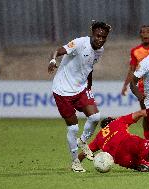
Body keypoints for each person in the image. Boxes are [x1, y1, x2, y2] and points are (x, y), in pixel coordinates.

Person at [48, 21, 111, 172]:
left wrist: (89, 87)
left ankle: (82, 141)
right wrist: (52, 60)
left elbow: (89, 68)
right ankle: (75, 161)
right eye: (98, 36)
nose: (100, 39)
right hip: (62, 90)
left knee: (95, 117)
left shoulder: (100, 50)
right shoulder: (79, 43)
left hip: (81, 88)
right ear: (92, 33)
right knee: (73, 127)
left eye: (104, 37)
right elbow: (58, 50)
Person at [121, 25, 149, 141]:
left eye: (148, 32)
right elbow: (132, 69)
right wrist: (126, 85)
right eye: (143, 32)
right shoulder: (135, 51)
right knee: (146, 113)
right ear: (140, 35)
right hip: (142, 86)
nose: (145, 34)